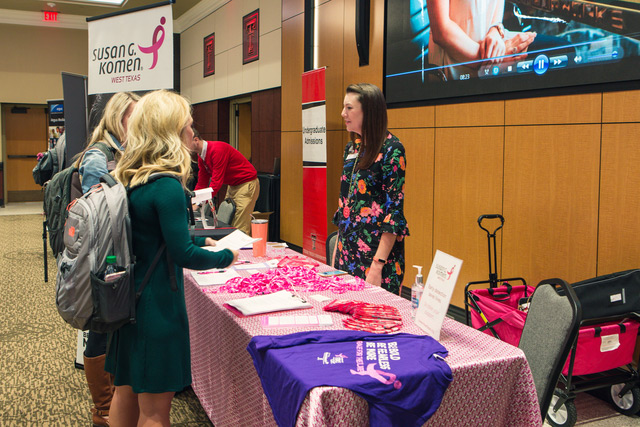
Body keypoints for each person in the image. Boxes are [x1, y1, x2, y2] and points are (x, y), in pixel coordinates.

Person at [106, 89, 238, 427]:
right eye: (188, 126)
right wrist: (226, 255)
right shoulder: (166, 184)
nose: (194, 134)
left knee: (125, 392)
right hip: (157, 308)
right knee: (154, 411)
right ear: (170, 131)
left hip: (128, 300)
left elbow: (155, 238)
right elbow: (183, 253)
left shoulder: (131, 176)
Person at [75, 91, 140, 427]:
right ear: (118, 118)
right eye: (134, 117)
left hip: (118, 251)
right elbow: (96, 211)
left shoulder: (124, 152)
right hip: (102, 255)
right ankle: (101, 406)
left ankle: (112, 398)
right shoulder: (99, 156)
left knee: (111, 322)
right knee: (100, 324)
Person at [332, 83, 409, 295]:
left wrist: (377, 266)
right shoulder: (353, 147)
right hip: (346, 255)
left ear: (369, 112)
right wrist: (336, 257)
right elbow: (345, 203)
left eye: (349, 108)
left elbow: (394, 213)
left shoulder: (392, 149)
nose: (343, 114)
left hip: (376, 260)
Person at [427, 0, 536, 80]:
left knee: (550, 49)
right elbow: (440, 30)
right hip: (458, 65)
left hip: (494, 48)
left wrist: (495, 30)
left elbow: (494, 11)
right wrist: (492, 62)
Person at [188, 129, 259, 235]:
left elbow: (216, 183)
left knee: (239, 228)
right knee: (228, 223)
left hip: (246, 184)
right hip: (233, 185)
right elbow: (202, 183)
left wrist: (197, 204)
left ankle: (241, 251)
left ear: (196, 140)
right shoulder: (201, 157)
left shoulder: (217, 150)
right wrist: (191, 202)